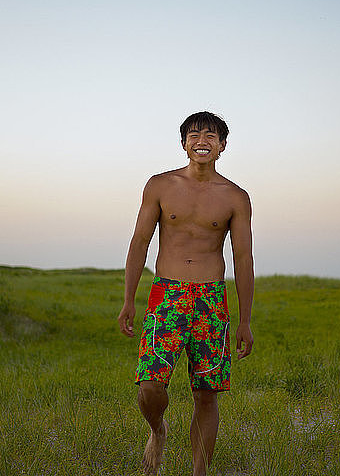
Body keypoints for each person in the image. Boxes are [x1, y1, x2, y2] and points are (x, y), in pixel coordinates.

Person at [118, 111, 254, 476]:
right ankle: (157, 430)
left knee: (205, 394)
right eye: (194, 134)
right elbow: (140, 242)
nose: (202, 140)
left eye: (211, 135)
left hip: (211, 298)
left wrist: (245, 321)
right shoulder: (160, 185)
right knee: (149, 385)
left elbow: (243, 258)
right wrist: (129, 299)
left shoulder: (236, 197)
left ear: (222, 146)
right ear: (184, 144)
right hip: (167, 294)